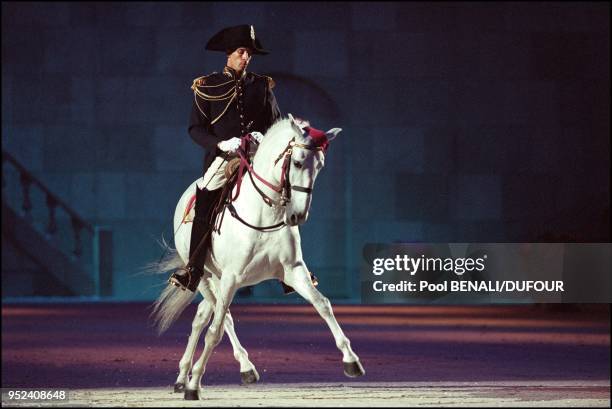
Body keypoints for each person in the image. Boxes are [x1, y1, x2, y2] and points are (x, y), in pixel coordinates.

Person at [169, 24, 282, 293]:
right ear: (229, 54)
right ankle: (193, 270)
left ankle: (290, 268)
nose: (246, 58)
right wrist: (220, 143)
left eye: (249, 54)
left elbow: (276, 124)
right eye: (242, 52)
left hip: (256, 157)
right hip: (223, 157)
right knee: (206, 196)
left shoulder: (262, 86)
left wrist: (262, 138)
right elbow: (195, 129)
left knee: (284, 194)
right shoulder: (207, 86)